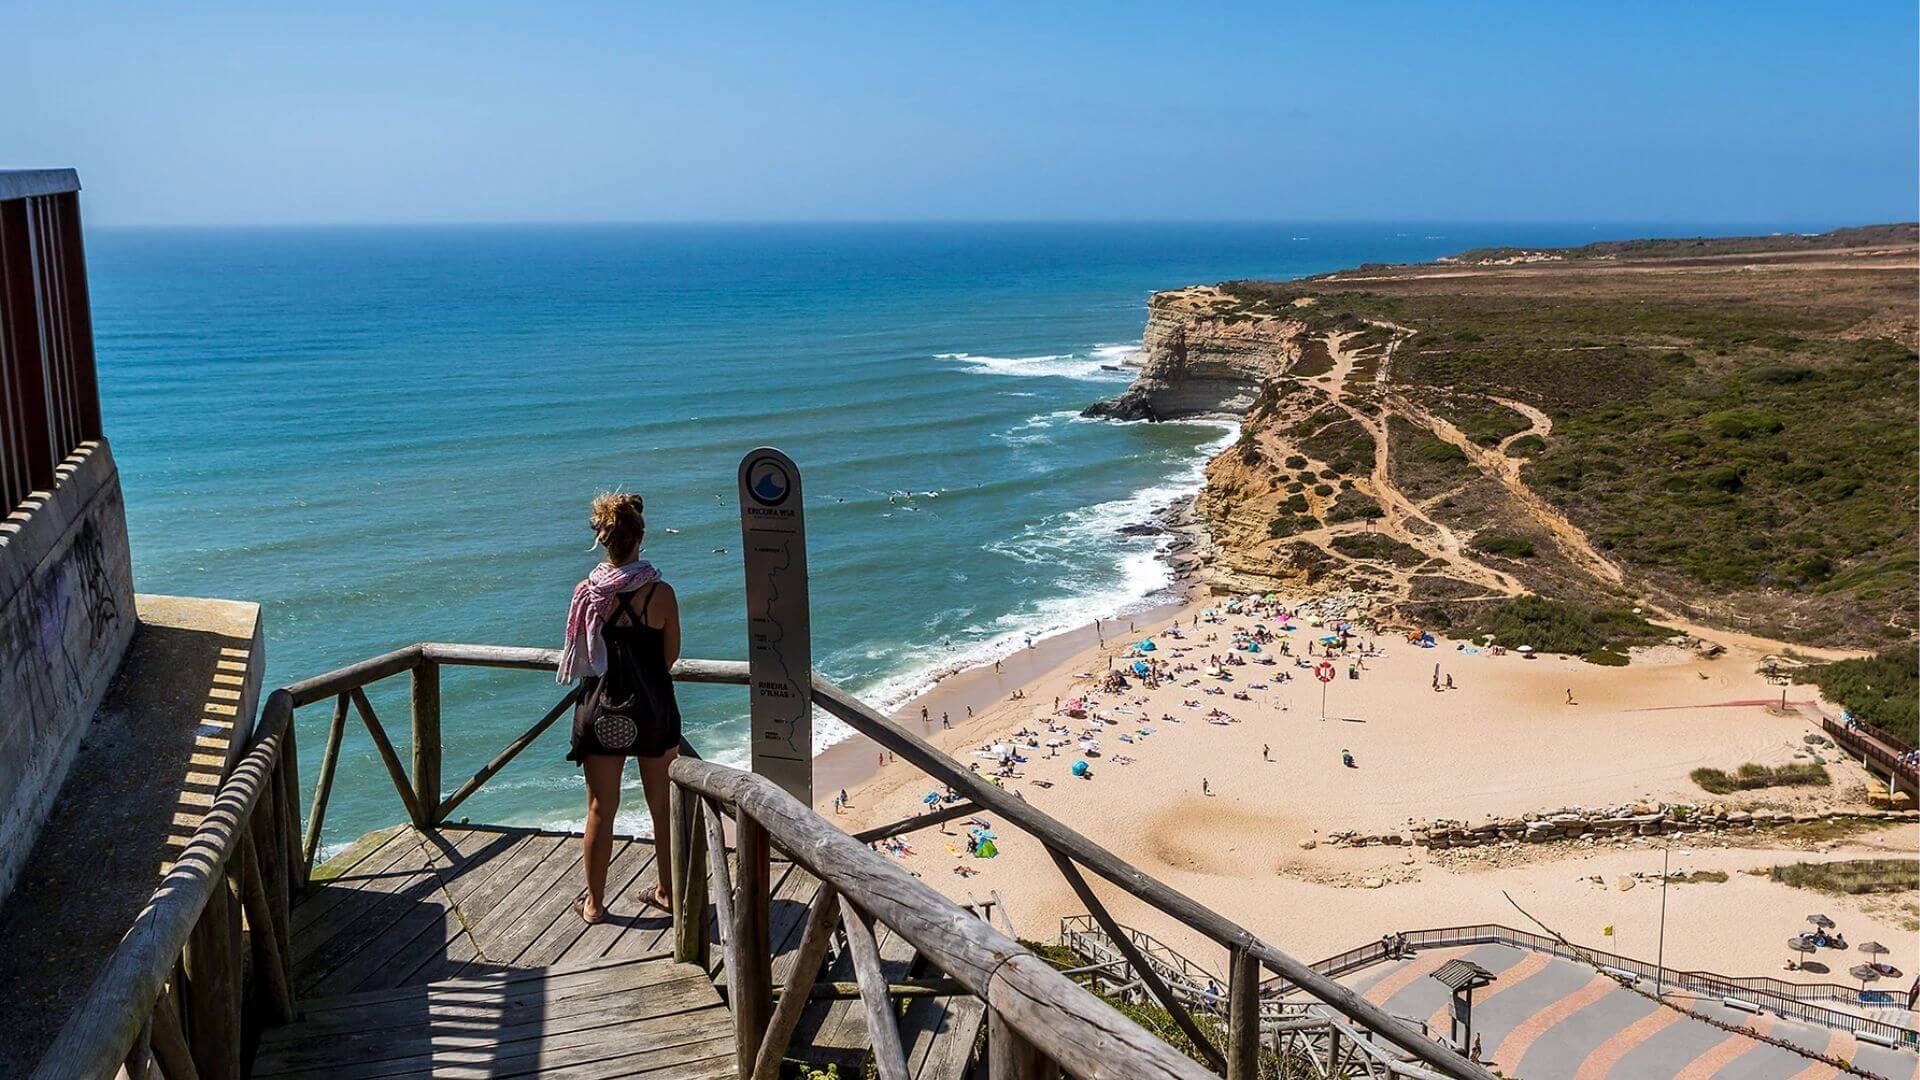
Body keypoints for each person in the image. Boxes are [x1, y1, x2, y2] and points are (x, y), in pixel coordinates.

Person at [560, 492, 682, 924]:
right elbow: (669, 656)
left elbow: (582, 656)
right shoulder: (660, 593)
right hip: (650, 709)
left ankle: (594, 903)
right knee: (662, 807)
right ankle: (668, 891)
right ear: (640, 536)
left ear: (602, 538)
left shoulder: (586, 593)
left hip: (601, 708)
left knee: (599, 809)